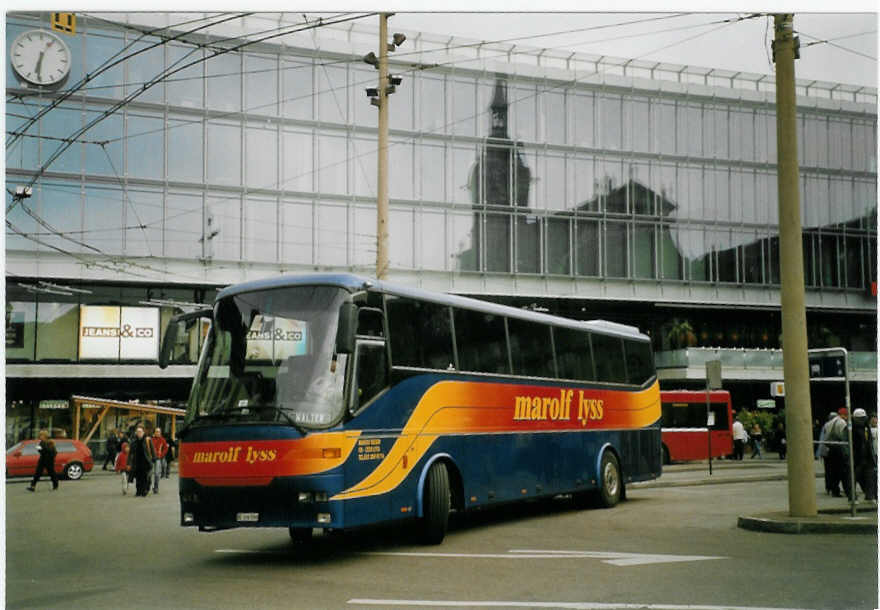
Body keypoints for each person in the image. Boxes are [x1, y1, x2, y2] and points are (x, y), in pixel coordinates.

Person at [826, 408, 852, 500]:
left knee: (834, 471)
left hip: (831, 449)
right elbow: (844, 436)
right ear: (844, 415)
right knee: (844, 471)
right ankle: (848, 491)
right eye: (847, 415)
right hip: (839, 448)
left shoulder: (829, 423)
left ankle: (834, 490)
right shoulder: (842, 422)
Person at [851, 408, 876, 501]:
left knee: (869, 475)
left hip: (866, 456)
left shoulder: (866, 427)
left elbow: (868, 441)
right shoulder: (852, 428)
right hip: (857, 456)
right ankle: (853, 496)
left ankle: (869, 495)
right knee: (855, 477)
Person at [128, 425, 154, 497]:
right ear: (136, 433)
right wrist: (128, 463)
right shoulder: (134, 441)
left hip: (146, 462)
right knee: (138, 478)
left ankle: (144, 490)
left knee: (145, 477)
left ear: (143, 432)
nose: (139, 433)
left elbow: (152, 449)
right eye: (138, 432)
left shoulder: (147, 440)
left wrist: (154, 459)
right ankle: (138, 491)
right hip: (137, 462)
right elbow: (130, 453)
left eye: (140, 432)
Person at [817, 412, 838, 494]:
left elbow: (821, 439)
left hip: (826, 451)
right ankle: (830, 487)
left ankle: (829, 487)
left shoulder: (826, 425)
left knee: (828, 470)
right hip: (829, 451)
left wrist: (819, 452)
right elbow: (823, 438)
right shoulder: (829, 426)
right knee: (831, 470)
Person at [150, 428, 169, 494]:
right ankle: (147, 486)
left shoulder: (163, 440)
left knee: (157, 473)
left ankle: (156, 487)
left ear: (160, 433)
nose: (157, 433)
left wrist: (161, 455)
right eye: (156, 432)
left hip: (158, 458)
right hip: (151, 458)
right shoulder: (151, 439)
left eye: (159, 432)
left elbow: (165, 449)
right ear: (154, 432)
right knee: (149, 473)